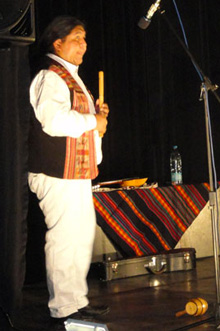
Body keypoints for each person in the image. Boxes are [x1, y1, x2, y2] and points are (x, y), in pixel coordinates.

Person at [28, 16, 110, 326]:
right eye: (76, 38)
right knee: (65, 238)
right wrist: (92, 122)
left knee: (80, 237)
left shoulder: (71, 77)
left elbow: (81, 124)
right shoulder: (51, 77)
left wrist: (96, 118)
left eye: (85, 39)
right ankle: (63, 306)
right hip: (55, 171)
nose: (84, 45)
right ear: (57, 42)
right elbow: (54, 121)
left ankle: (75, 300)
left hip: (74, 172)